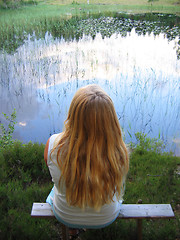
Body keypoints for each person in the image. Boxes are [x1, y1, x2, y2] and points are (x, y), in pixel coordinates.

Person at [44, 84, 129, 238]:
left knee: (55, 188)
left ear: (73, 114)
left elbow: (49, 168)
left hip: (65, 214)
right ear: (110, 119)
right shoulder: (119, 150)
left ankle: (72, 229)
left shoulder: (52, 144)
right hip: (106, 216)